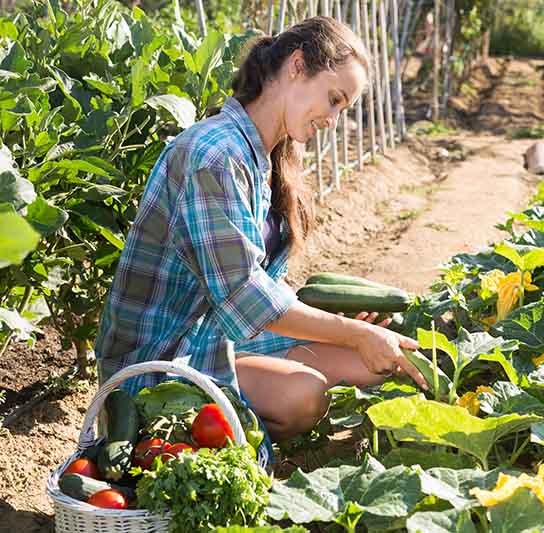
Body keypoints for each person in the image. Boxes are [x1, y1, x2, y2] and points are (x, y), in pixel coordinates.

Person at [94, 16, 427, 449]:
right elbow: (244, 295)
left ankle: (248, 437)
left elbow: (259, 291)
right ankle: (196, 450)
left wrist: (354, 333)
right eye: (333, 99)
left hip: (222, 336)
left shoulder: (269, 158)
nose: (332, 119)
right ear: (297, 65)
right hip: (164, 362)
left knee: (379, 365)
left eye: (342, 108)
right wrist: (352, 331)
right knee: (302, 395)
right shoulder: (213, 155)